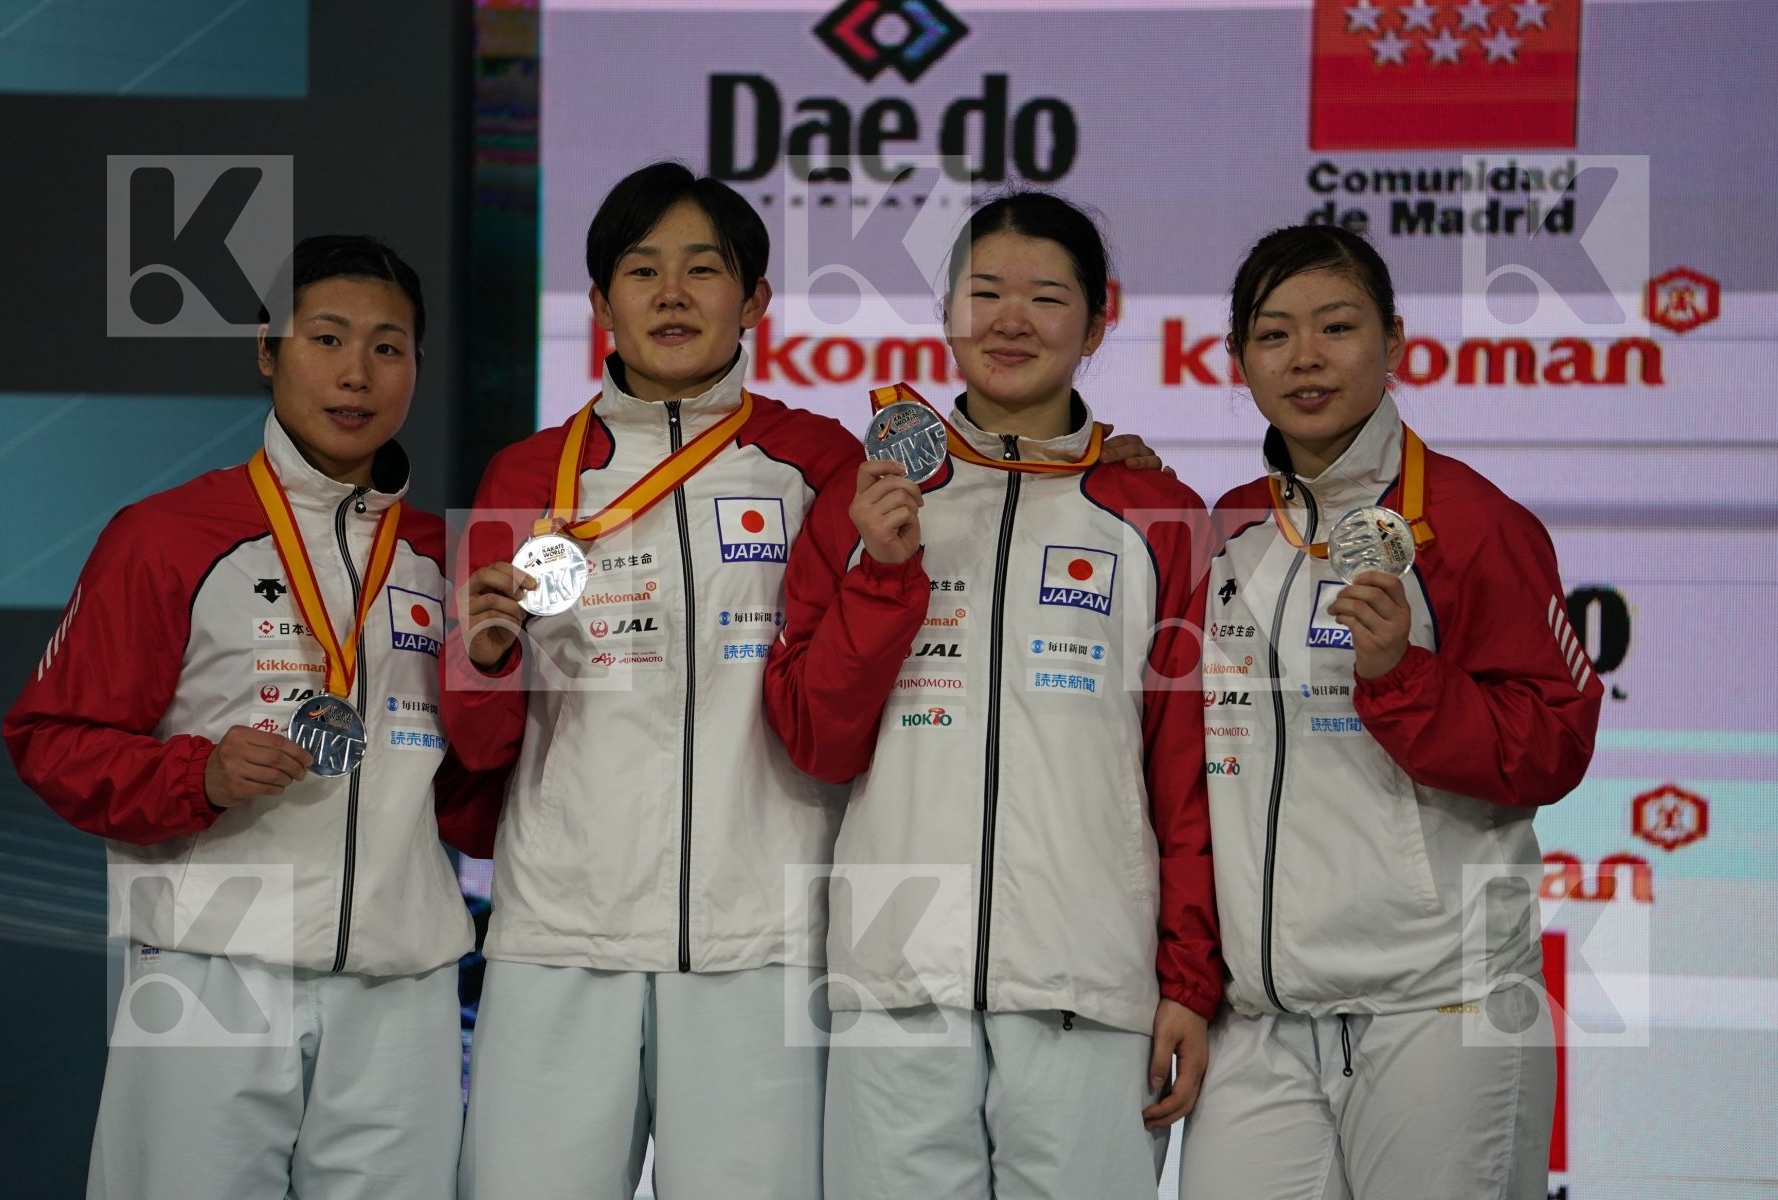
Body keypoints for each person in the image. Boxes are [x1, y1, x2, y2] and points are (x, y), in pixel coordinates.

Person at [446, 163, 1167, 1200]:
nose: (672, 293)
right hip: (560, 930)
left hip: (767, 944)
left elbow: (949, 528)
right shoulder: (529, 475)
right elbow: (477, 747)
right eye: (641, 271)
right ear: (600, 304)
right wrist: (484, 662)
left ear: (755, 302)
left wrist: (1105, 461)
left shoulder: (822, 464)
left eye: (704, 269)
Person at [3, 234, 498, 1199]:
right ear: (267, 351)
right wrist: (199, 776)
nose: (356, 374)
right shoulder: (165, 536)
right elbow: (51, 739)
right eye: (326, 339)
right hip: (210, 970)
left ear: (418, 369)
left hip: (402, 985)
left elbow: (478, 783)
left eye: (388, 348)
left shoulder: (451, 559)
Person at [762, 190, 1222, 1200]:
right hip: (895, 977)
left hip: (1086, 981)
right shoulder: (864, 496)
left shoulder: (1159, 515)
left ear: (1100, 318)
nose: (1011, 321)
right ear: (947, 312)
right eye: (984, 292)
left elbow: (1189, 775)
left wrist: (1189, 978)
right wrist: (883, 572)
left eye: (1046, 296)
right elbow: (813, 739)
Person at [1176, 224, 1604, 1199]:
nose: (1307, 357)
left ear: (1395, 342)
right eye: (1275, 334)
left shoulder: (1471, 521)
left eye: (1337, 326)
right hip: (1263, 1019)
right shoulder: (1227, 529)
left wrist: (1401, 675)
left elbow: (1554, 744)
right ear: (1237, 359)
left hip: (1439, 1005)